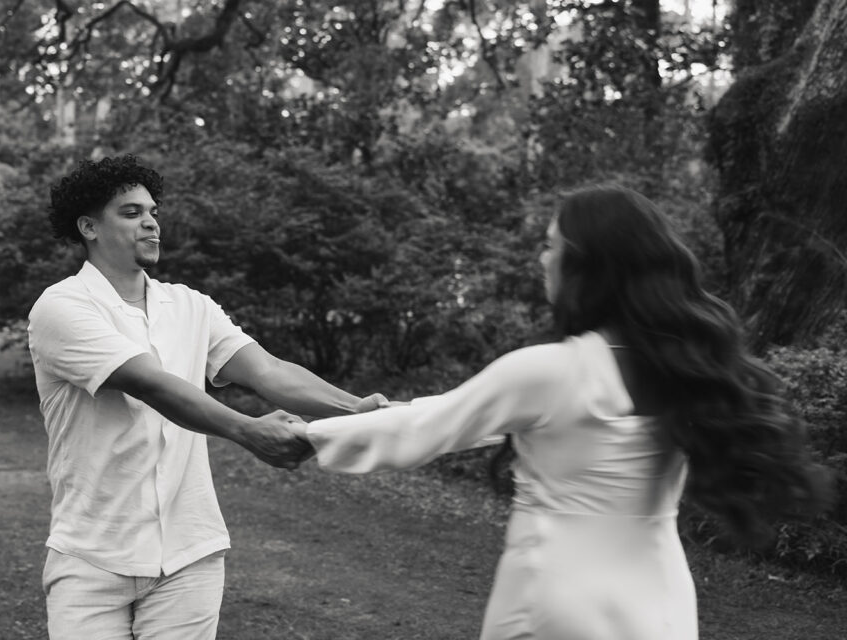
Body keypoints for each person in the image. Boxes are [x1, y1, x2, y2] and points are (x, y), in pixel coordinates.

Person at [304, 185, 832, 640]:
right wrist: (389, 410)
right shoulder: (686, 370)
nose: (542, 258)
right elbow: (504, 418)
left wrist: (307, 436)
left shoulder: (551, 371)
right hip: (659, 602)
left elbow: (424, 431)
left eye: (550, 245)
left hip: (555, 597)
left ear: (586, 265)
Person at [27, 155, 387, 640]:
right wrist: (248, 430)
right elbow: (151, 384)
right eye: (131, 213)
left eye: (153, 211)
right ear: (89, 226)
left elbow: (269, 372)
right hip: (92, 558)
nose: (152, 223)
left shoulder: (190, 305)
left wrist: (355, 410)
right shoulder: (61, 307)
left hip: (189, 555)